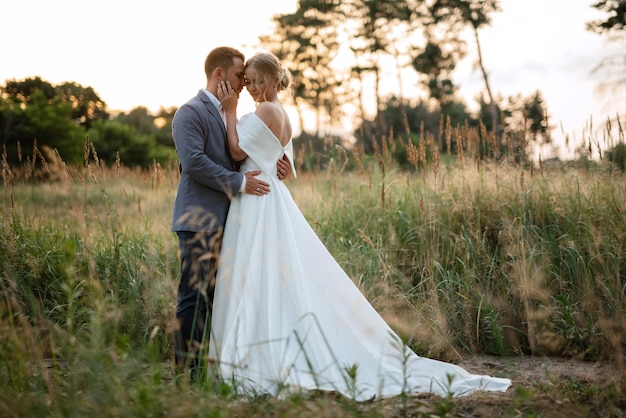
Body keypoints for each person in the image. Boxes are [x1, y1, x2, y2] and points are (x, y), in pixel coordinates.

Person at [209, 51, 511, 400]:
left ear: (276, 80)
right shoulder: (284, 115)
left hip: (257, 200)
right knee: (270, 276)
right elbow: (288, 168)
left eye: (259, 81)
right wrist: (271, 160)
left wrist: (229, 112)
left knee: (256, 274)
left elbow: (234, 153)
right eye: (248, 82)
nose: (252, 88)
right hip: (270, 195)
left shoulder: (263, 111)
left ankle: (255, 352)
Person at [170, 46, 292, 375]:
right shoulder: (190, 112)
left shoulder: (235, 110)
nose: (244, 84)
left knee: (220, 294)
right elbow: (194, 163)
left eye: (250, 79)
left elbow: (255, 148)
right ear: (219, 74)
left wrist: (277, 162)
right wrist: (240, 182)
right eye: (241, 76)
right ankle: (187, 372)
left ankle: (219, 362)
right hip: (199, 218)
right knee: (194, 295)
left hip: (236, 218)